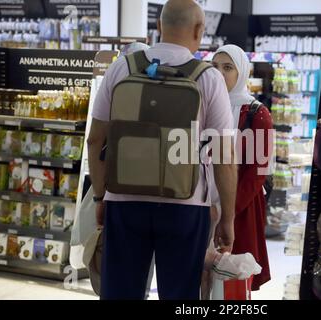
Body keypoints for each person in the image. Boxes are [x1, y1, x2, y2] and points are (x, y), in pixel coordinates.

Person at [87, 0, 237, 300]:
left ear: (158, 27)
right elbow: (225, 156)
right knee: (180, 294)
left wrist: (101, 196)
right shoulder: (208, 78)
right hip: (186, 205)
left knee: (121, 292)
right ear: (199, 30)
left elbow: (94, 140)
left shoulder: (121, 68)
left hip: (124, 202)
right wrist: (228, 219)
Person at [209, 44, 273, 291]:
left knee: (234, 280)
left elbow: (256, 173)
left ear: (241, 72)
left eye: (227, 67)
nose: (219, 73)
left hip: (239, 208)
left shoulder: (257, 113)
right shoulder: (202, 105)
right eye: (214, 67)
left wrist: (228, 211)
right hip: (201, 206)